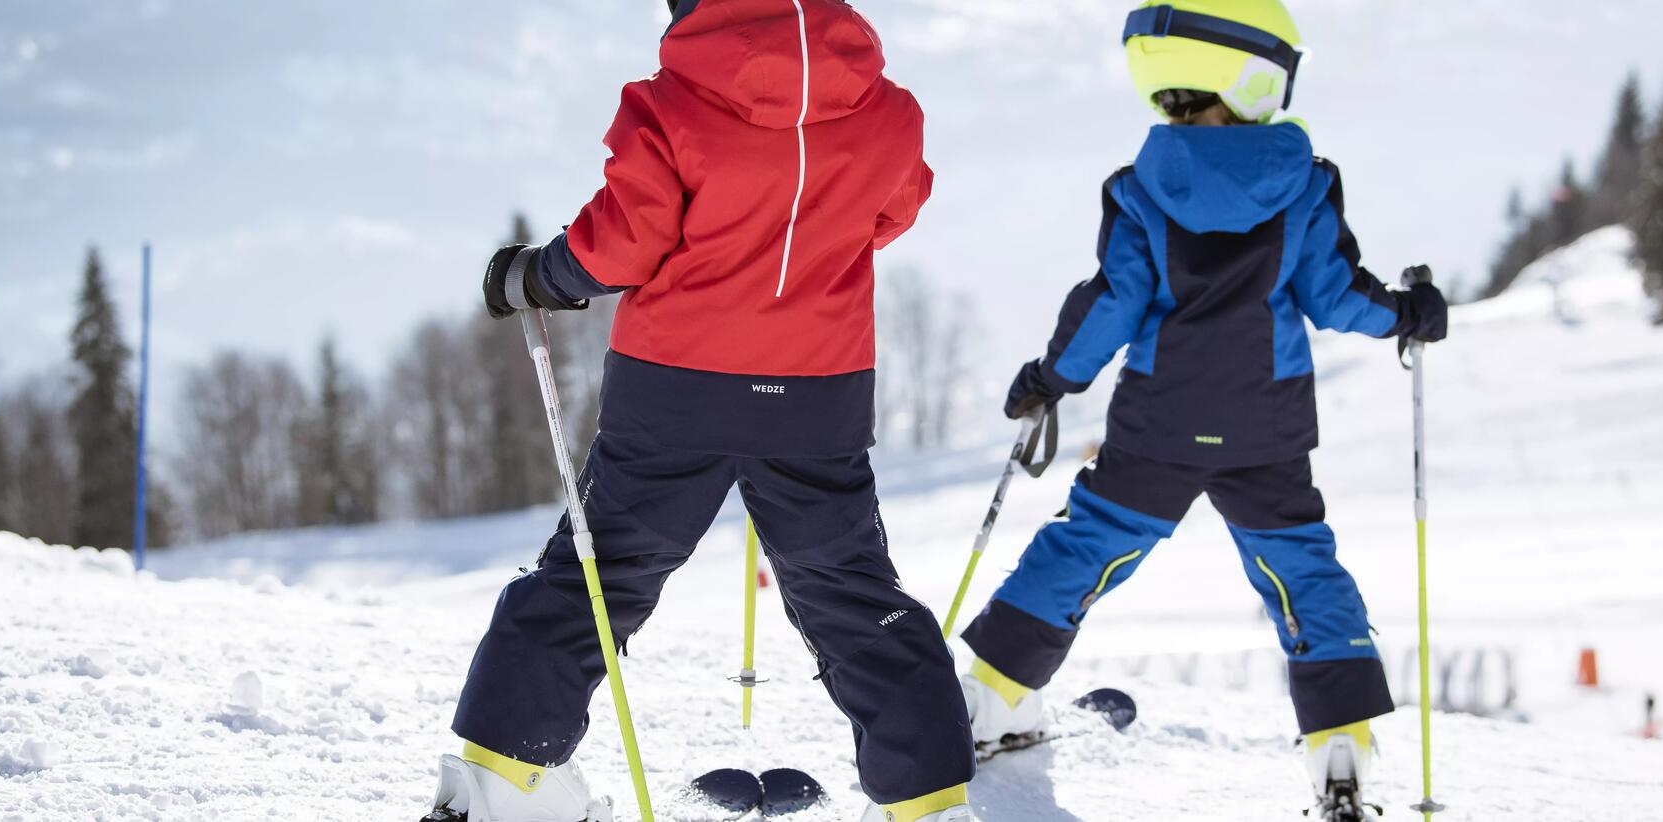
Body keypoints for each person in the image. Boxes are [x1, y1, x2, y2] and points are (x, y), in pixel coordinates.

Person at [425, 2, 975, 821]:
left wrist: (539, 275)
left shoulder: (669, 102)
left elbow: (625, 240)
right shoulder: (891, 111)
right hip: (816, 389)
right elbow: (891, 212)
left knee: (600, 569)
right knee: (847, 585)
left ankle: (505, 778)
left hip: (678, 383)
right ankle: (930, 801)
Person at [953, 0, 1449, 815]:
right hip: (1266, 427)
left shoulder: (1139, 189)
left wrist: (1051, 377)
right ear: (1247, 72)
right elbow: (1333, 297)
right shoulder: (1305, 184)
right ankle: (1339, 752)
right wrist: (1407, 312)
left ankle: (995, 701)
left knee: (1089, 548)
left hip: (1159, 425)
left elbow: (1112, 301)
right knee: (1302, 571)